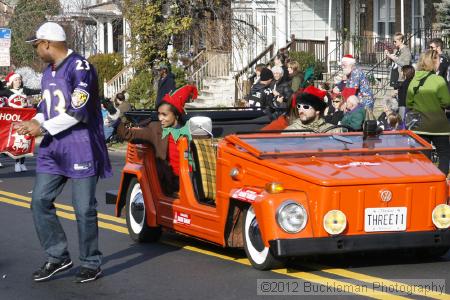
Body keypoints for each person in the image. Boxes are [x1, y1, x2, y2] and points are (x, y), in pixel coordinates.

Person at [15, 22, 112, 283]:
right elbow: (48, 107)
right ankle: (58, 256)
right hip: (53, 148)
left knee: (83, 209)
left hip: (80, 146)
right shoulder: (49, 71)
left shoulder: (81, 68)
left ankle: (91, 261)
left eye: (36, 45)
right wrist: (33, 121)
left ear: (47, 43)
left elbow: (77, 112)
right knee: (39, 201)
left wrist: (42, 126)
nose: (36, 50)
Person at [117, 85, 198, 195]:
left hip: (194, 179)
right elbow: (128, 134)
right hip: (173, 183)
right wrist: (116, 117)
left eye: (164, 115)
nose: (160, 118)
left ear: (176, 115)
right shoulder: (156, 129)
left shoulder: (189, 129)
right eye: (159, 114)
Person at [406, 49, 450, 176]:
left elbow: (409, 103)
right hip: (438, 125)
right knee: (444, 154)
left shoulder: (414, 80)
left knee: (423, 157)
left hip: (419, 125)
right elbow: (447, 102)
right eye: (438, 60)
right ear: (433, 62)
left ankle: (425, 182)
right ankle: (440, 181)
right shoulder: (439, 81)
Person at [5, 71, 41, 172]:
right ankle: (16, 163)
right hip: (13, 122)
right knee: (16, 142)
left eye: (19, 79)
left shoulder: (24, 90)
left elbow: (35, 91)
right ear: (12, 81)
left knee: (25, 141)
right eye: (16, 80)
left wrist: (46, 88)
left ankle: (22, 163)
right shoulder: (7, 91)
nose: (18, 81)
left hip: (25, 120)